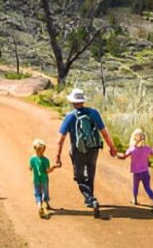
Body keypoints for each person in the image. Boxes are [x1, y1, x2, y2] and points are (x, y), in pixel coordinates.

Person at [54, 88, 117, 217]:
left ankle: (90, 198)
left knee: (79, 176)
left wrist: (58, 157)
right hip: (94, 148)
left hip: (78, 150)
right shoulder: (94, 113)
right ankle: (90, 197)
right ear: (83, 101)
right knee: (91, 171)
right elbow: (104, 132)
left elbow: (60, 139)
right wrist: (112, 147)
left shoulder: (70, 116)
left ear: (72, 102)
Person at [117, 128, 153, 208]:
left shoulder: (132, 149)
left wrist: (116, 154)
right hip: (145, 172)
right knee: (147, 188)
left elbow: (123, 156)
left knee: (135, 187)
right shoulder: (147, 148)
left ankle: (135, 200)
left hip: (136, 173)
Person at [29, 139, 57, 218]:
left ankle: (39, 206)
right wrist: (53, 167)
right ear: (43, 149)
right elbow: (47, 171)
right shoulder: (46, 160)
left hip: (36, 179)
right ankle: (46, 203)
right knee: (45, 192)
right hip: (44, 179)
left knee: (37, 193)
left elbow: (30, 168)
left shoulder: (32, 159)